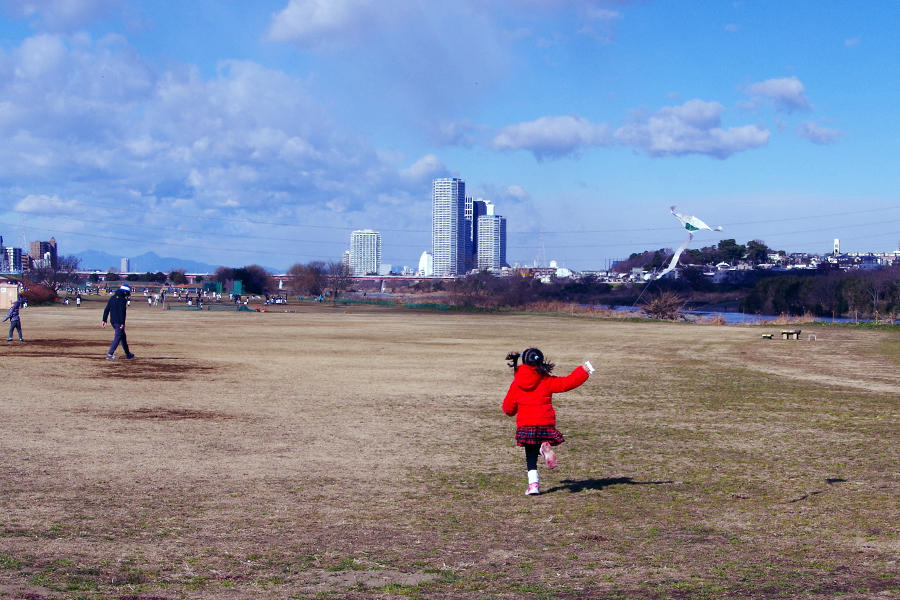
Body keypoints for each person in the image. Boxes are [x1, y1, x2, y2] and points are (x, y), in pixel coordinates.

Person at [502, 348, 592, 496]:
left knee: (530, 455)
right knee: (534, 449)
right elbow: (566, 383)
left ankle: (533, 486)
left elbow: (508, 408)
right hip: (544, 423)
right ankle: (542, 452)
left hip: (526, 425)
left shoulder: (516, 384)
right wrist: (583, 371)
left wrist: (509, 411)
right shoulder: (546, 380)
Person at [102, 284, 134, 360]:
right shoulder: (122, 300)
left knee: (122, 337)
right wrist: (122, 323)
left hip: (113, 321)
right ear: (125, 292)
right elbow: (121, 312)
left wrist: (104, 320)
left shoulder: (112, 298)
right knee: (118, 337)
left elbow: (107, 309)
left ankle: (128, 354)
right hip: (118, 322)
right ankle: (110, 354)